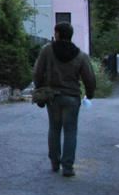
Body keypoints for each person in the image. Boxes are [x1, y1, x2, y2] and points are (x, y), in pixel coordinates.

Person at [33, 22, 96, 177]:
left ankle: (55, 162)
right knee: (70, 131)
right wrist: (90, 94)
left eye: (55, 32)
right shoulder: (80, 55)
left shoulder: (47, 50)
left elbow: (37, 72)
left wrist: (39, 89)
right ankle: (68, 167)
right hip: (72, 98)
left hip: (53, 96)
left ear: (58, 34)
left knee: (54, 129)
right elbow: (89, 78)